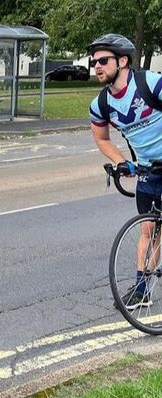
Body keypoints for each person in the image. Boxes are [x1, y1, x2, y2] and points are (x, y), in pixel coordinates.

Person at [88, 33, 162, 310]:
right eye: (93, 62)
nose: (96, 66)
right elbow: (102, 139)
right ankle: (143, 289)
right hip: (149, 170)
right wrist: (121, 162)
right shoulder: (101, 105)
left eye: (103, 61)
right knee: (148, 229)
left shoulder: (150, 84)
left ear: (122, 61)